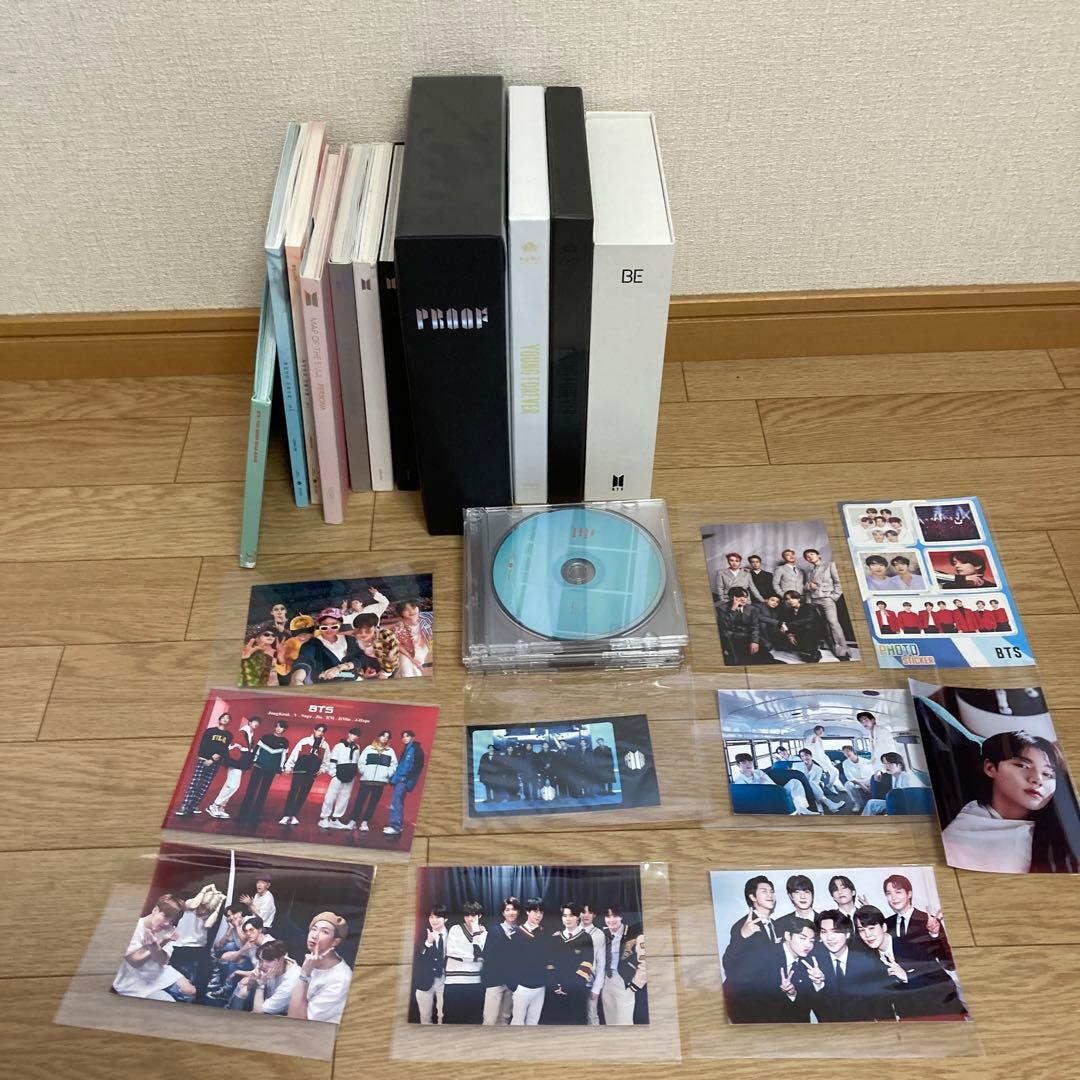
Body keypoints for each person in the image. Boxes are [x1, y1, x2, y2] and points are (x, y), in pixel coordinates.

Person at [940, 730, 1075, 873]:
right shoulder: (967, 820)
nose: (1037, 779)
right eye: (1022, 766)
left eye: (1047, 774)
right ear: (990, 768)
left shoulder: (1059, 837)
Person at [853, 905, 966, 1019]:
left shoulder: (911, 946)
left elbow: (947, 985)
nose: (867, 935)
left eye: (871, 928)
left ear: (884, 927)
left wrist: (907, 977)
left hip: (943, 1014)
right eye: (862, 930)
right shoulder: (871, 959)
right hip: (912, 1021)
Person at [113, 893, 196, 1002]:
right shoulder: (133, 927)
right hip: (133, 978)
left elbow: (163, 961)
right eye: (166, 916)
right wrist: (160, 943)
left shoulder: (169, 930)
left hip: (157, 971)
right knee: (168, 1001)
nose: (167, 923)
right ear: (155, 910)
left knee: (190, 992)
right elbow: (135, 962)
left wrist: (156, 946)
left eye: (172, 921)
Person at [812, 910, 892, 1022]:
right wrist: (818, 984)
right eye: (824, 932)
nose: (829, 938)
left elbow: (883, 1005)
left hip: (865, 1028)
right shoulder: (814, 963)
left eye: (835, 931)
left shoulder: (867, 961)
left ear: (847, 934)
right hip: (829, 1029)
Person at [288, 912, 354, 1024]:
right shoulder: (313, 959)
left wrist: (304, 975)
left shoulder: (341, 979)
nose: (315, 935)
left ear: (335, 941)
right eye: (314, 929)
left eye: (324, 932)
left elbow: (296, 1021)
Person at [168, 883, 225, 1002]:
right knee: (178, 967)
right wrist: (204, 889)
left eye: (208, 909)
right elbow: (194, 905)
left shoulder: (209, 914)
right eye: (203, 907)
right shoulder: (190, 904)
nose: (204, 911)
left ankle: (199, 996)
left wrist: (219, 904)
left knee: (207, 966)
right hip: (180, 946)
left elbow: (208, 925)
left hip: (197, 947)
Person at [541, 903, 594, 1024]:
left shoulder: (586, 938)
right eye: (565, 916)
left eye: (571, 916)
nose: (568, 919)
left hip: (576, 989)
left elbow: (586, 964)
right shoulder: (555, 937)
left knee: (576, 1023)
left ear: (578, 917)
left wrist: (568, 985)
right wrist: (555, 984)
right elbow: (549, 963)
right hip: (555, 989)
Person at [882, 873, 949, 966]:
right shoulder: (886, 924)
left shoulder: (928, 921)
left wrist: (934, 934)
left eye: (898, 892)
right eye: (889, 893)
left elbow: (949, 964)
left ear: (909, 894)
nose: (893, 897)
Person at [174, 713, 232, 818]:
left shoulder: (228, 735)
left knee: (205, 785)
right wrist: (208, 758)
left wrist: (213, 759)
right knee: (195, 783)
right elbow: (203, 746)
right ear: (219, 719)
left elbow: (224, 749)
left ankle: (194, 805)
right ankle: (185, 806)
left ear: (229, 721)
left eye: (227, 718)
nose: (225, 719)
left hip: (215, 762)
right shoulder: (210, 731)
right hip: (204, 760)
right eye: (223, 717)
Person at [235, 720, 290, 827]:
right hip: (258, 767)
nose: (278, 728)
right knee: (250, 791)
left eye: (281, 727)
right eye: (277, 726)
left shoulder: (285, 742)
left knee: (263, 793)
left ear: (284, 729)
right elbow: (257, 750)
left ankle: (255, 817)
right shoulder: (265, 737)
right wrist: (253, 763)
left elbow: (284, 757)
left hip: (271, 770)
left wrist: (279, 770)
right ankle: (242, 815)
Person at [290, 608, 366, 684]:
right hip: (328, 687)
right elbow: (304, 661)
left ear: (340, 624)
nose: (329, 630)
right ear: (319, 625)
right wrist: (297, 678)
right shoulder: (311, 645)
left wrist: (341, 667)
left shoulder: (350, 640)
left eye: (334, 626)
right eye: (324, 627)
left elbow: (362, 658)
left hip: (356, 684)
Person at [207, 715, 261, 819]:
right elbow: (235, 746)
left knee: (230, 784)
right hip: (235, 761)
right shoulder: (242, 732)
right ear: (249, 722)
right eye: (255, 722)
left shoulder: (250, 735)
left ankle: (220, 807)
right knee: (233, 785)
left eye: (258, 723)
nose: (256, 724)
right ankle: (214, 805)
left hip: (240, 763)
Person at [226, 938, 300, 1014]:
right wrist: (251, 984)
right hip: (266, 996)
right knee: (244, 988)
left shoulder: (291, 981)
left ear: (280, 960)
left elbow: (258, 1012)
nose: (262, 966)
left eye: (268, 961)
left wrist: (260, 985)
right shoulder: (274, 961)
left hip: (280, 1014)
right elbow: (255, 976)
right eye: (260, 961)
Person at [803, 548, 851, 660]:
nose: (810, 557)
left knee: (833, 623)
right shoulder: (810, 572)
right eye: (807, 557)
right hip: (814, 600)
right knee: (823, 623)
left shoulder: (830, 565)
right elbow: (806, 587)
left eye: (812, 554)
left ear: (818, 555)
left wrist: (833, 596)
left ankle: (843, 650)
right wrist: (809, 586)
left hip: (827, 599)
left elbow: (839, 582)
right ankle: (828, 643)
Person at [444, 900, 488, 1023]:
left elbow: (480, 952)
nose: (470, 919)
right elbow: (451, 951)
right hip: (454, 982)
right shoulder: (455, 929)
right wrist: (473, 958)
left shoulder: (484, 933)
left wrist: (476, 931)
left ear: (479, 916)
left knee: (474, 1020)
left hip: (475, 982)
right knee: (451, 1020)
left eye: (473, 915)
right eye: (467, 915)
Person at [347, 729, 398, 832]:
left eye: (387, 737)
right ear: (379, 737)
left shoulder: (390, 751)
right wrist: (364, 771)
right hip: (366, 780)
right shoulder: (369, 748)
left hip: (380, 782)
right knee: (359, 801)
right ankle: (353, 821)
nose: (385, 738)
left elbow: (394, 765)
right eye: (383, 736)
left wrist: (387, 774)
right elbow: (361, 762)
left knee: (373, 803)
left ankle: (365, 822)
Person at [279, 723, 330, 826]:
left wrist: (322, 770)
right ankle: (286, 815)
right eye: (319, 730)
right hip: (299, 770)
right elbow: (294, 754)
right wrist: (288, 767)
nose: (320, 733)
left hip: (311, 773)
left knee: (303, 793)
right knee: (293, 791)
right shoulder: (305, 741)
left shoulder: (325, 746)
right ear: (314, 730)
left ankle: (294, 815)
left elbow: (326, 761)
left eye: (322, 731)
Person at [731, 753, 813, 814]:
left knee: (794, 782)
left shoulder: (758, 772)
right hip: (762, 799)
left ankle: (802, 809)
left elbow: (771, 783)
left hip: (775, 791)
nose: (748, 764)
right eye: (744, 762)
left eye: (750, 762)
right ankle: (796, 811)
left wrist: (778, 791)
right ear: (738, 765)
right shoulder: (739, 781)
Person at [481, 897, 520, 1025]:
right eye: (507, 910)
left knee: (505, 1018)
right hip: (495, 981)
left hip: (512, 982)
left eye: (514, 909)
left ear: (518, 911)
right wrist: (505, 939)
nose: (511, 912)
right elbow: (487, 954)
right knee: (490, 1019)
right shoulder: (494, 930)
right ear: (503, 913)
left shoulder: (521, 931)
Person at [600, 905, 641, 1025]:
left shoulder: (634, 933)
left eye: (615, 916)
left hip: (624, 980)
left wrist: (634, 985)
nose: (611, 920)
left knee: (624, 1021)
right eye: (608, 916)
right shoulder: (602, 933)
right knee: (610, 1020)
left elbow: (643, 962)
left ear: (621, 917)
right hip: (605, 980)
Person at [510, 898, 548, 1024]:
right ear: (527, 912)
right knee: (517, 1022)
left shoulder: (545, 933)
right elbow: (510, 961)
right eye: (535, 911)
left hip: (540, 987)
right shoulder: (516, 933)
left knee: (533, 1022)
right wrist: (514, 985)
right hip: (522, 987)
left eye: (541, 912)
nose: (538, 915)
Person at [319, 727, 364, 830]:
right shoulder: (339, 746)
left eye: (357, 736)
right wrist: (333, 774)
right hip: (338, 775)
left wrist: (354, 774)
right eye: (353, 734)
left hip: (350, 776)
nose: (355, 737)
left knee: (344, 798)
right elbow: (332, 760)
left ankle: (335, 819)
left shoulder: (357, 747)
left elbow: (357, 762)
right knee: (330, 796)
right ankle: (324, 818)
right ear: (349, 734)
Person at [386, 730, 426, 836]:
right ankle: (397, 826)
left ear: (413, 737)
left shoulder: (416, 749)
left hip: (403, 781)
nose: (405, 738)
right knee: (397, 802)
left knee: (396, 802)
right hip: (399, 780)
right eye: (403, 737)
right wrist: (394, 779)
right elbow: (402, 765)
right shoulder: (407, 749)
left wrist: (406, 778)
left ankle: (395, 827)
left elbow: (418, 767)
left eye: (407, 736)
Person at [861, 752, 926, 815]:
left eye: (890, 763)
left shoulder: (907, 777)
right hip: (897, 802)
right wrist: (878, 771)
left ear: (900, 765)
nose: (886, 766)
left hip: (908, 805)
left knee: (872, 804)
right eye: (884, 763)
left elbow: (912, 799)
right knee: (871, 803)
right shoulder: (894, 775)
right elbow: (882, 771)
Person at [414, 905, 448, 1024]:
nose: (434, 920)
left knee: (443, 1016)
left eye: (438, 917)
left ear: (445, 919)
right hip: (425, 980)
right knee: (425, 1017)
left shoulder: (453, 934)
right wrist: (428, 943)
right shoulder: (421, 934)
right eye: (431, 917)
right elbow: (417, 958)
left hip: (445, 980)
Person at [579, 904, 607, 1025]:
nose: (586, 915)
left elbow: (601, 963)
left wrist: (597, 988)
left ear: (594, 915)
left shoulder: (599, 934)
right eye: (583, 912)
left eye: (590, 912)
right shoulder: (572, 929)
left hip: (590, 981)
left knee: (592, 1015)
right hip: (574, 981)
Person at [780, 591, 825, 662]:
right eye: (788, 599)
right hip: (800, 631)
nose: (790, 601)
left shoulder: (808, 606)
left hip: (814, 630)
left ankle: (815, 652)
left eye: (793, 598)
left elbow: (810, 619)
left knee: (807, 626)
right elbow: (787, 622)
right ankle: (803, 648)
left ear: (799, 599)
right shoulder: (789, 611)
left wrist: (787, 624)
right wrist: (789, 635)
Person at [392, 599, 433, 677]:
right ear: (401, 613)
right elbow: (399, 646)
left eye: (413, 607)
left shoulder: (427, 617)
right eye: (406, 610)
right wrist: (412, 659)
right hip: (406, 651)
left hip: (421, 650)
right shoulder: (399, 627)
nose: (411, 611)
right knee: (407, 673)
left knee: (415, 671)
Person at [718, 587, 756, 664]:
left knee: (766, 648)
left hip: (746, 634)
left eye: (745, 597)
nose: (743, 599)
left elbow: (755, 627)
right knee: (726, 634)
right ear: (732, 598)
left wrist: (754, 641)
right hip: (731, 634)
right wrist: (733, 609)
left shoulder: (751, 608)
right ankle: (734, 659)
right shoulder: (722, 608)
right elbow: (725, 625)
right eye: (739, 597)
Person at [275, 615, 316, 681]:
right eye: (297, 632)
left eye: (306, 631)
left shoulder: (320, 637)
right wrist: (281, 658)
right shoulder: (290, 643)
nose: (302, 636)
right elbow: (284, 672)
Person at [840, 744, 875, 811]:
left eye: (847, 751)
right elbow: (849, 777)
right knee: (848, 784)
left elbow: (872, 773)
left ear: (853, 751)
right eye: (844, 753)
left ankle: (874, 802)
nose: (846, 754)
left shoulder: (865, 761)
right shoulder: (845, 763)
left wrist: (870, 782)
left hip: (868, 780)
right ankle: (857, 803)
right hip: (856, 781)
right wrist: (861, 785)